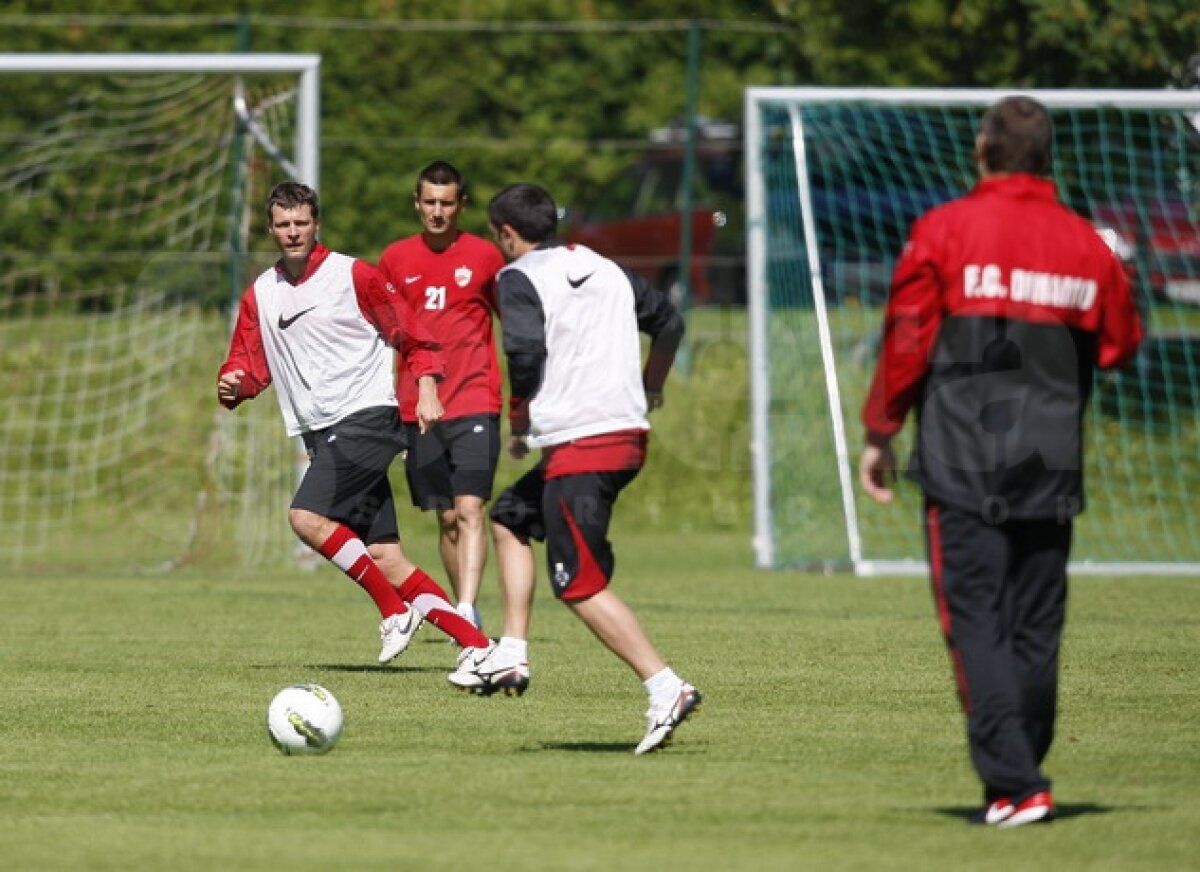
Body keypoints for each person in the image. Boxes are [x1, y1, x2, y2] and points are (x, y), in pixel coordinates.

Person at [858, 96, 1143, 827]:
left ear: (982, 151)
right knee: (1036, 626)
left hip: (963, 462)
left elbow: (908, 337)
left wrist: (880, 431)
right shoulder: (1088, 245)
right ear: (1048, 158)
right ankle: (1021, 771)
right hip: (1050, 462)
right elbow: (1121, 344)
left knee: (976, 621)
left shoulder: (945, 229)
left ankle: (1016, 783)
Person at [447, 182, 700, 756]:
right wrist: (652, 386)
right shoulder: (607, 269)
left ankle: (667, 687)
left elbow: (524, 353)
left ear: (505, 233)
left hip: (585, 446)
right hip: (621, 437)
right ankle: (512, 653)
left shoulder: (517, 277)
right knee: (510, 517)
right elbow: (670, 323)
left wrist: (518, 416)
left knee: (578, 584)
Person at [216, 181, 492, 665]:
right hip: (322, 432)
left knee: (306, 518)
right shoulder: (260, 294)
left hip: (367, 418)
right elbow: (249, 365)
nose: (293, 232)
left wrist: (427, 387)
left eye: (301, 223)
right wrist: (232, 384)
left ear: (316, 224)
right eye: (283, 225)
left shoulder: (355, 276)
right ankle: (480, 649)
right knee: (385, 557)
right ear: (271, 229)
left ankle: (393, 612)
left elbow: (413, 335)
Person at [376, 161, 506, 633]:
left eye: (446, 203)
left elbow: (515, 321)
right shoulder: (394, 259)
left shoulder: (486, 257)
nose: (437, 211)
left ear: (461, 205)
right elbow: (381, 329)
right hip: (417, 406)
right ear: (416, 203)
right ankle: (460, 605)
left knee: (471, 508)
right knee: (447, 516)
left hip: (476, 398)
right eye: (429, 202)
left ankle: (467, 608)